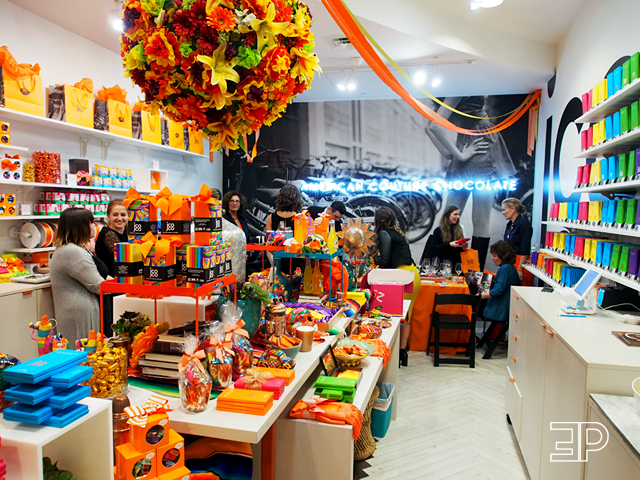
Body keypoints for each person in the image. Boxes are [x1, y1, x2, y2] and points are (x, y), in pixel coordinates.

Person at [427, 96, 517, 270]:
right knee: (481, 221)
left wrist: (450, 154)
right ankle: (474, 274)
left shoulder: (450, 89)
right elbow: (432, 126)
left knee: (449, 217)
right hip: (481, 145)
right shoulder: (461, 86)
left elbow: (429, 127)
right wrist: (457, 155)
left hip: (467, 144)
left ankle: (446, 269)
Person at [50, 208, 110, 346]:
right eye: (91, 222)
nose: (94, 226)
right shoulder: (72, 252)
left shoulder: (72, 249)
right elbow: (98, 286)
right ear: (81, 226)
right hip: (79, 316)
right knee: (82, 355)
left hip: (79, 311)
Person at [372, 207, 421, 367]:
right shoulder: (398, 232)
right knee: (406, 316)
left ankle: (393, 353)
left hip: (402, 277)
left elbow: (385, 261)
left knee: (393, 315)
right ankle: (402, 353)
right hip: (412, 274)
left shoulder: (385, 233)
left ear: (378, 220)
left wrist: (372, 257)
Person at [478, 240, 521, 359]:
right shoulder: (508, 268)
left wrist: (481, 295)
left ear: (503, 256)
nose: (492, 258)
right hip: (505, 304)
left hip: (502, 307)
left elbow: (497, 291)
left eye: (494, 256)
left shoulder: (505, 269)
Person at [95, 200, 128, 276]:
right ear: (108, 216)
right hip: (112, 279)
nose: (119, 218)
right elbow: (124, 257)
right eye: (115, 215)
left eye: (123, 215)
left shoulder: (127, 232)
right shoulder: (108, 234)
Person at [502, 197, 532, 280]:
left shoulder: (524, 224)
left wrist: (520, 269)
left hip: (520, 263)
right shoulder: (509, 225)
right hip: (510, 261)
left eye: (504, 210)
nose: (502, 213)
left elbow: (524, 248)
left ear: (512, 209)